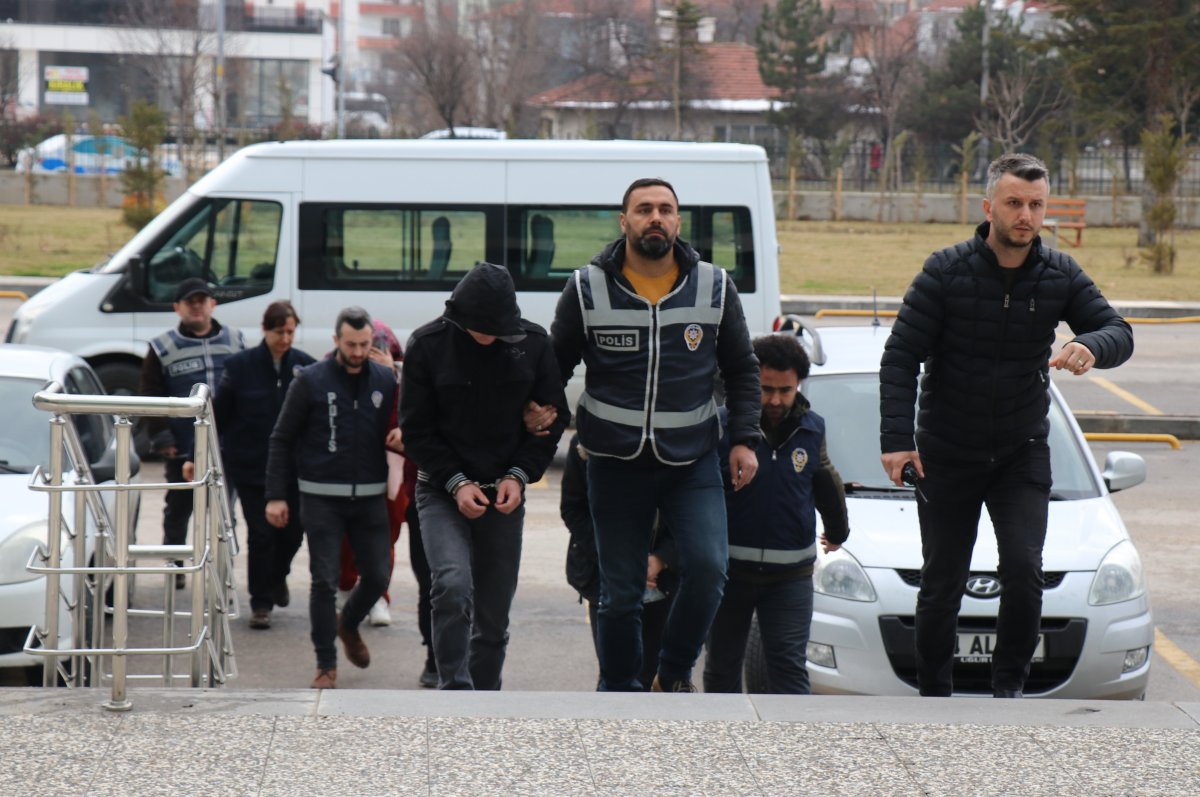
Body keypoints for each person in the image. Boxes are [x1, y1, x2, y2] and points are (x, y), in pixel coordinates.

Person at [879, 153, 1134, 698]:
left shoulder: (1059, 274)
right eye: (1015, 203)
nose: (1026, 215)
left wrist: (1090, 344)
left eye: (1036, 205)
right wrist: (897, 441)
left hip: (1021, 451)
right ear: (988, 205)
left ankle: (1009, 692)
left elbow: (1119, 330)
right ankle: (934, 695)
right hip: (946, 451)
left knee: (1023, 569)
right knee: (942, 581)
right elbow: (900, 357)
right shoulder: (944, 271)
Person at [548, 177, 762, 693]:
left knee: (710, 570)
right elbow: (554, 366)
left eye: (665, 209)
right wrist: (543, 416)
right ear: (624, 222)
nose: (655, 218)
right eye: (644, 209)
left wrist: (744, 438)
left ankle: (672, 674)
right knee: (620, 593)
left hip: (691, 463)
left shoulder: (714, 285)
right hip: (613, 463)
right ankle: (621, 690)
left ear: (678, 222)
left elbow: (742, 368)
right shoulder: (586, 287)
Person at [400, 262, 568, 690]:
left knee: (493, 616)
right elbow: (416, 432)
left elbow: (553, 421)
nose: (490, 338)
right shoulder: (427, 345)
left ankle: (486, 698)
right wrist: (456, 481)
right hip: (441, 489)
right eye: (482, 330)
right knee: (453, 585)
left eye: (499, 330)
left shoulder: (533, 344)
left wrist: (519, 474)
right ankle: (453, 688)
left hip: (503, 492)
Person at [703, 333, 849, 694]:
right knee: (722, 666)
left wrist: (838, 529)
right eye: (766, 388)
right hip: (728, 573)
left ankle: (795, 747)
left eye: (785, 390)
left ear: (798, 385)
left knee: (788, 667)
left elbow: (825, 478)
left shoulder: (812, 429)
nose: (775, 400)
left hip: (790, 576)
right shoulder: (722, 426)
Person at [264, 306, 402, 689]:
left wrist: (402, 437)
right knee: (323, 581)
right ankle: (326, 663)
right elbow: (281, 439)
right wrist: (276, 496)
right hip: (321, 497)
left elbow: (404, 424)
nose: (358, 352)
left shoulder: (385, 379)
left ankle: (348, 623)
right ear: (335, 341)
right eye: (350, 344)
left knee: (377, 575)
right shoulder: (310, 380)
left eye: (364, 344)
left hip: (371, 497)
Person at [212, 301, 314, 630]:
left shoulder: (304, 368)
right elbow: (219, 417)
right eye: (279, 331)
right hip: (252, 465)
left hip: (295, 468)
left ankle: (277, 576)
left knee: (294, 532)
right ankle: (260, 601)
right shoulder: (240, 367)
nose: (285, 338)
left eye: (290, 332)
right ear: (265, 330)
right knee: (261, 535)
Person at [138, 277, 245, 589]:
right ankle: (175, 566)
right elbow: (150, 394)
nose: (197, 306)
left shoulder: (236, 341)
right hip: (183, 447)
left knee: (225, 512)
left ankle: (223, 570)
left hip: (227, 446)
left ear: (213, 304)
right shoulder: (161, 348)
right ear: (177, 308)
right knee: (178, 509)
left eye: (203, 300)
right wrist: (164, 438)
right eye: (190, 302)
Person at [560, 433, 679, 690]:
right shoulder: (586, 443)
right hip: (604, 575)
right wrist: (615, 557)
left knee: (653, 674)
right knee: (613, 672)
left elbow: (689, 512)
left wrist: (662, 558)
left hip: (662, 580)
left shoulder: (674, 443)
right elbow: (573, 508)